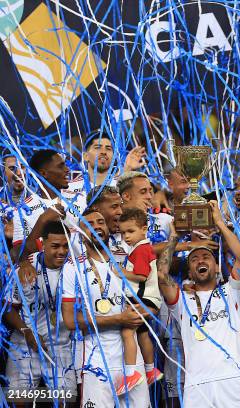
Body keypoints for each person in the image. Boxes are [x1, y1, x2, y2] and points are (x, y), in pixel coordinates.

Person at [155, 200, 240, 407]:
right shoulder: (181, 300)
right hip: (196, 385)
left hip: (231, 380)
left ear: (216, 267)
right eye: (194, 259)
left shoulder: (231, 292)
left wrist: (219, 222)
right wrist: (174, 237)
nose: (200, 260)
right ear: (189, 271)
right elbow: (162, 274)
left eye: (206, 257)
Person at [61, 209, 150, 407]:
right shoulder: (72, 268)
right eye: (89, 224)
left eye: (100, 221)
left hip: (132, 360)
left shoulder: (128, 258)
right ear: (80, 233)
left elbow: (150, 293)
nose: (97, 226)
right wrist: (118, 320)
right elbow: (69, 321)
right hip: (97, 362)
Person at [3, 221, 78, 406]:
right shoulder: (25, 268)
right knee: (18, 401)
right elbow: (7, 308)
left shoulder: (76, 270)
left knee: (66, 401)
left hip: (61, 345)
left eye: (65, 245)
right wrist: (27, 331)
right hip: (25, 343)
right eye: (55, 246)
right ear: (42, 244)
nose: (61, 251)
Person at [114, 208, 164, 394]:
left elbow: (141, 276)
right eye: (122, 232)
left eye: (130, 231)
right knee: (142, 334)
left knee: (127, 331)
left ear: (144, 229)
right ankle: (151, 371)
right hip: (148, 299)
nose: (126, 236)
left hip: (143, 299)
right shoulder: (141, 248)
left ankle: (130, 374)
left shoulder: (141, 249)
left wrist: (122, 272)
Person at [11, 149, 86, 256]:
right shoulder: (23, 209)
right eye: (61, 166)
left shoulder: (81, 199)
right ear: (44, 173)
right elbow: (18, 253)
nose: (67, 170)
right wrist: (43, 220)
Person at [70, 133, 147, 194]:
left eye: (108, 148)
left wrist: (128, 168)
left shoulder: (124, 185)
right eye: (97, 147)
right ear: (86, 156)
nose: (103, 152)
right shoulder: (70, 189)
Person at [117, 171, 173, 244]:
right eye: (143, 192)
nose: (149, 197)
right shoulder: (115, 225)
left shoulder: (165, 220)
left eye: (150, 192)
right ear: (126, 196)